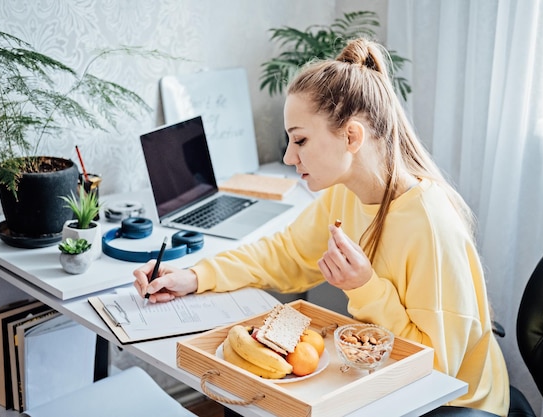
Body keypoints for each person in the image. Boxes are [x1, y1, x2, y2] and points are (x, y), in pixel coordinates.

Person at [133, 38, 509, 415]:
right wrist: (195, 276)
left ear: (351, 137)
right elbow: (284, 254)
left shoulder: (429, 223)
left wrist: (365, 288)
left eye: (300, 139)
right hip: (384, 378)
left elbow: (439, 367)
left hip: (452, 403)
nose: (288, 155)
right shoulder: (345, 193)